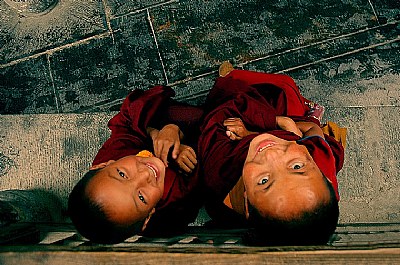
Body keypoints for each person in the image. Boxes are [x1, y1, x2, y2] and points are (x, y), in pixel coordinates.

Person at [198, 62, 346, 245]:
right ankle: (311, 113)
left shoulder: (220, 175)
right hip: (289, 128)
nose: (271, 155)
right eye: (297, 167)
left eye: (264, 181)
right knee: (286, 87)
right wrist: (281, 124)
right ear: (326, 178)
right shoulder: (320, 162)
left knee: (231, 89)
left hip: (268, 128)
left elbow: (217, 118)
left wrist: (252, 133)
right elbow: (312, 130)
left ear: (246, 204)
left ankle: (231, 78)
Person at [68, 86, 203, 244]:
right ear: (148, 217)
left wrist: (160, 132)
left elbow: (126, 123)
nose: (144, 174)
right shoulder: (174, 205)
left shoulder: (113, 153)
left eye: (122, 174)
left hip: (158, 132)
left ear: (102, 165)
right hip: (192, 154)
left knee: (151, 112)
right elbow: (202, 178)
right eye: (141, 197)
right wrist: (179, 150)